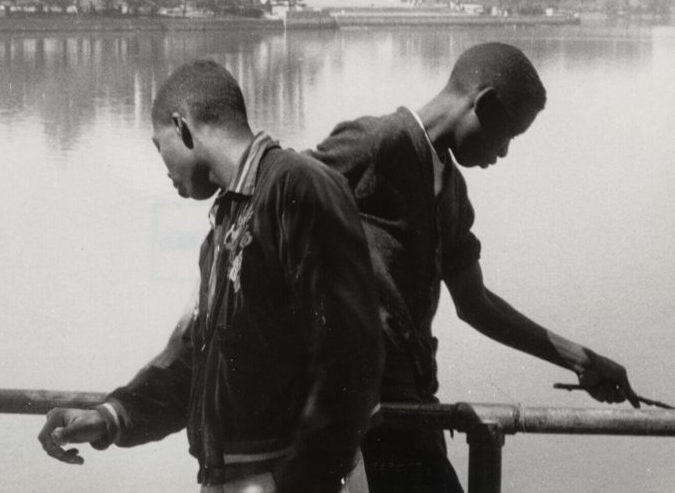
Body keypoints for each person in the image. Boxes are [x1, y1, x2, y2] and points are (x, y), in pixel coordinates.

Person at [37, 59, 383, 492]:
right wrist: (110, 416)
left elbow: (353, 357)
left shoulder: (297, 186)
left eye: (157, 145)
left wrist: (305, 476)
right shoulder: (227, 222)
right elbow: (195, 362)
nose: (163, 168)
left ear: (182, 127)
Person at [309, 42, 640, 492]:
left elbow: (475, 304)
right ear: (481, 104)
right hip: (359, 416)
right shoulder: (377, 143)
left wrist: (578, 359)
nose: (503, 153)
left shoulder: (452, 194)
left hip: (413, 410)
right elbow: (276, 198)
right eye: (508, 135)